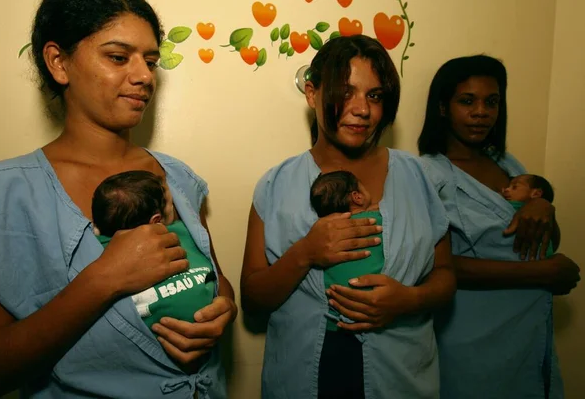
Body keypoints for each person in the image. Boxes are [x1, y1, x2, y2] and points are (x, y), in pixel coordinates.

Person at [0, 0, 236, 397]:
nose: (144, 76)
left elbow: (217, 278)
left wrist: (224, 309)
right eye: (119, 57)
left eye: (151, 61)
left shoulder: (179, 178)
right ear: (59, 63)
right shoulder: (0, 196)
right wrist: (104, 279)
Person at [241, 35, 456, 399]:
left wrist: (408, 300)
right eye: (346, 92)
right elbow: (252, 299)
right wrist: (305, 253)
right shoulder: (275, 184)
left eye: (374, 95)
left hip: (402, 378)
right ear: (312, 93)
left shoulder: (419, 177)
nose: (362, 109)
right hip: (301, 377)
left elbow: (446, 275)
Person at [418, 54, 580, 398]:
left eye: (491, 102)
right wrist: (542, 275)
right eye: (467, 101)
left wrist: (543, 207)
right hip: (471, 345)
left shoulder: (508, 164)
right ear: (443, 108)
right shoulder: (428, 174)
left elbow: (539, 243)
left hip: (526, 339)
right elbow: (433, 265)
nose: (481, 112)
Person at [91, 170, 216, 329]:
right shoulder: (180, 231)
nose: (174, 208)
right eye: (172, 205)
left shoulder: (93, 254)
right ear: (156, 221)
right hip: (198, 323)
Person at [309, 170, 383, 330]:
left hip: (335, 317)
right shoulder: (378, 220)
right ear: (357, 196)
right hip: (378, 307)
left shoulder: (321, 235)